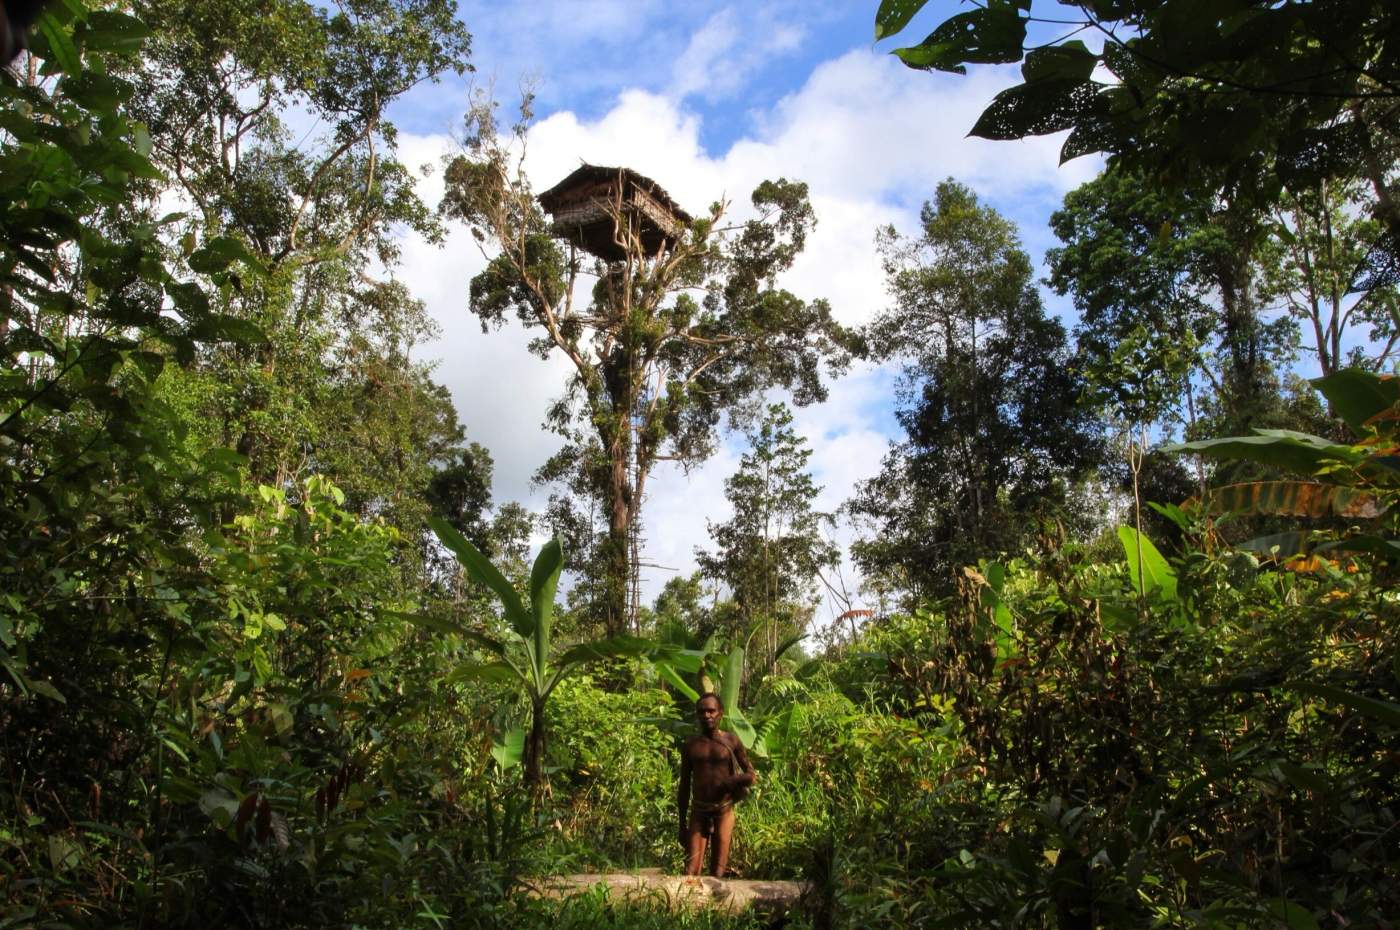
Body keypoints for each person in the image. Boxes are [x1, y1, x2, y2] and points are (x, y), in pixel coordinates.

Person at [677, 692, 756, 877]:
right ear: (697, 715)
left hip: (724, 810)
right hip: (699, 811)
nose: (706, 715)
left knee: (717, 873)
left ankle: (715, 905)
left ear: (720, 713)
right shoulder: (691, 745)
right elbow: (684, 785)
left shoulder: (731, 741)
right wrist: (682, 824)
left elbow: (751, 775)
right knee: (690, 872)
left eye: (711, 711)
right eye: (702, 712)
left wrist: (731, 782)